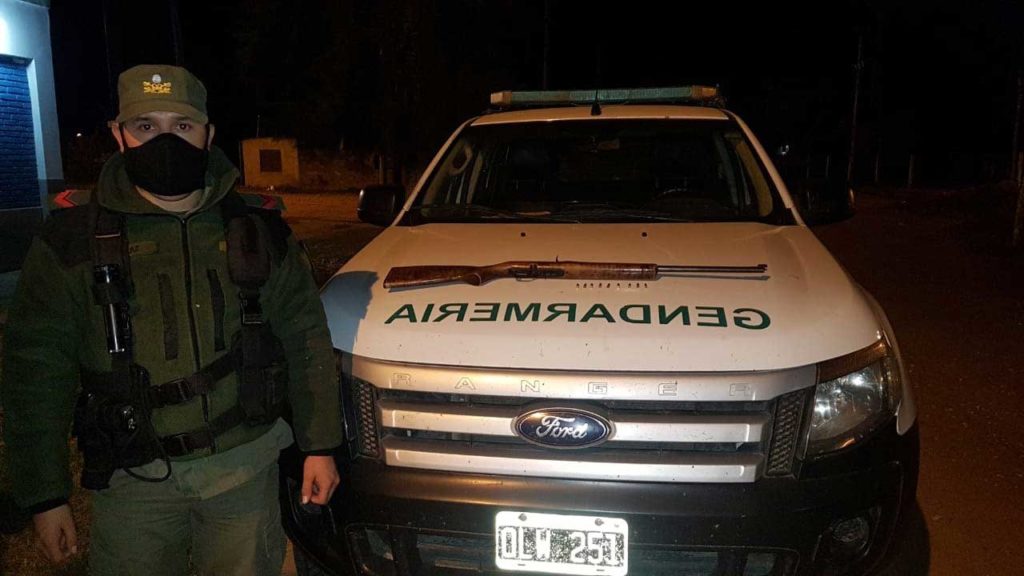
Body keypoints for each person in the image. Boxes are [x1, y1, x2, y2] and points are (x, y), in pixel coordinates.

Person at [0, 64, 342, 575]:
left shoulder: (259, 229)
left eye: (182, 126)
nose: (165, 141)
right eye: (146, 126)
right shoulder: (71, 241)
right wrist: (45, 494)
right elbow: (36, 369)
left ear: (208, 134)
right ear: (118, 135)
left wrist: (320, 446)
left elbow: (305, 337)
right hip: (132, 480)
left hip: (243, 470)